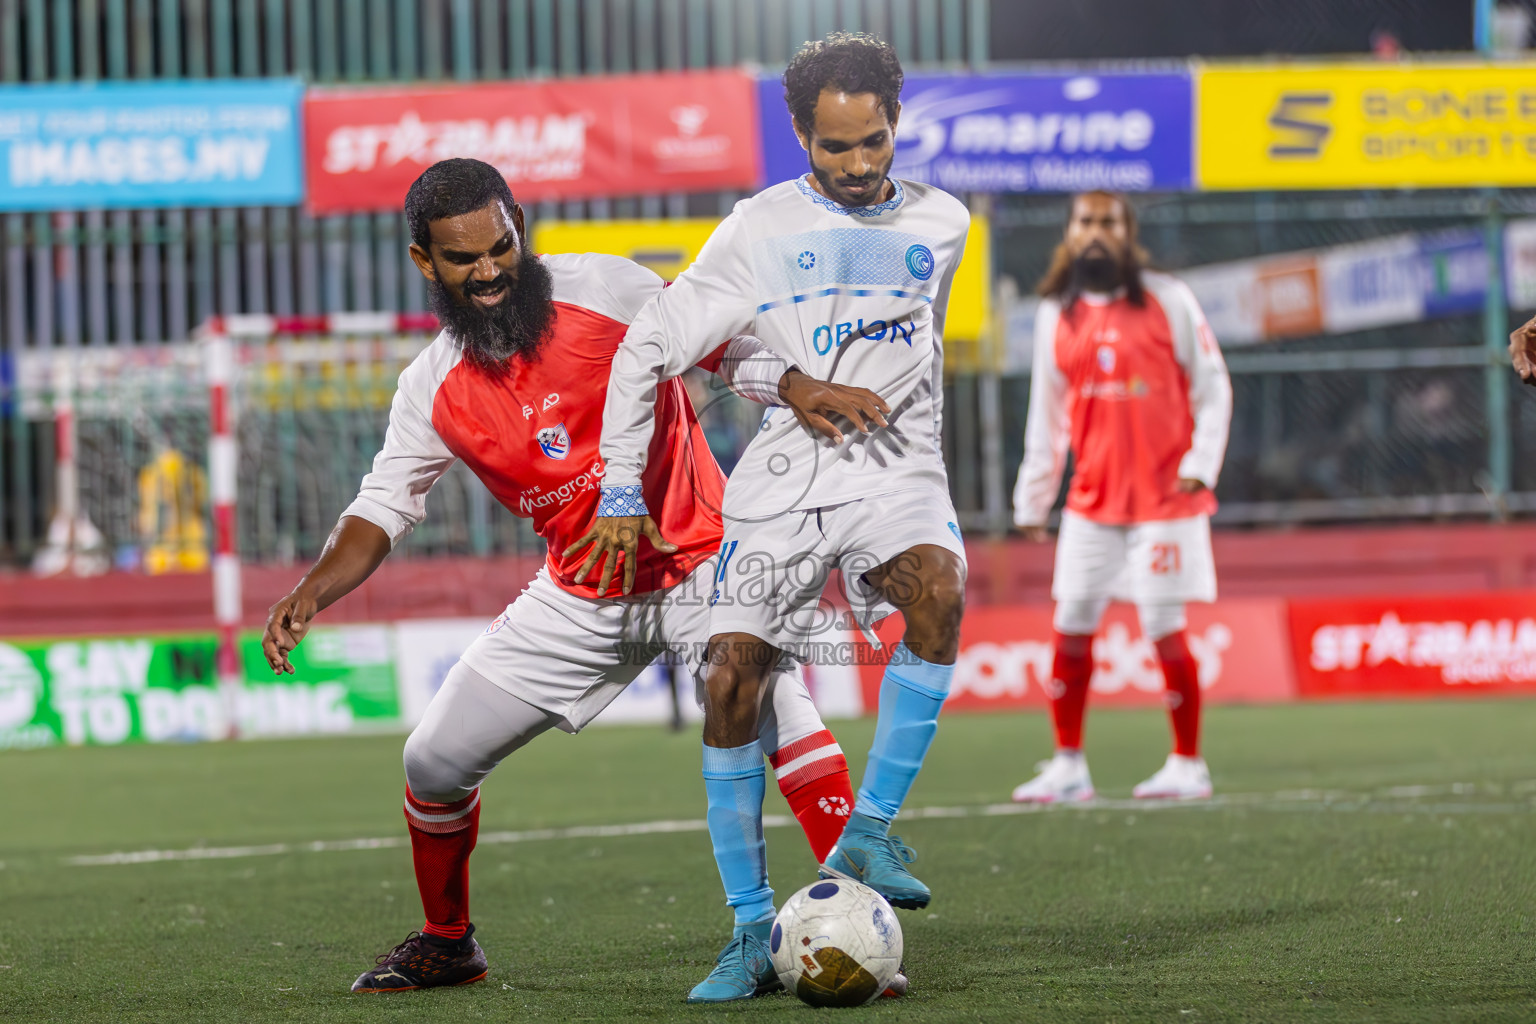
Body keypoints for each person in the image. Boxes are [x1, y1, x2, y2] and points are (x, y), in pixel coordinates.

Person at [261, 157, 876, 994]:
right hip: (582, 596)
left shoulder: (608, 291)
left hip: (706, 564)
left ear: (519, 225)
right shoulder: (431, 388)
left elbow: (727, 349)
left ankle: (860, 925)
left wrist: (792, 383)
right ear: (423, 263)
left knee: (786, 718)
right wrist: (312, 591)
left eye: (499, 247)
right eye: (461, 259)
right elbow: (384, 505)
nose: (486, 272)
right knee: (433, 763)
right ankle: (449, 942)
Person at [568, 32, 969, 1002]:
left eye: (873, 141)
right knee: (730, 681)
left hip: (892, 470)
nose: (859, 164)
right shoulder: (756, 228)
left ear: (896, 124)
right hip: (784, 483)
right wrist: (624, 484)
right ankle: (751, 928)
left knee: (939, 596)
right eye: (835, 147)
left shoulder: (947, 223)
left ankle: (867, 828)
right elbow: (655, 347)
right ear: (799, 134)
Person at [1010, 190, 1232, 804]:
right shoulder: (1059, 313)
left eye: (1109, 221)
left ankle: (1189, 764)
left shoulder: (1169, 300)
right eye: (1086, 221)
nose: (1097, 231)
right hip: (1090, 503)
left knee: (1163, 624)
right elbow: (1047, 416)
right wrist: (1034, 499)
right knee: (1070, 623)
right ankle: (1068, 765)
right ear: (1070, 232)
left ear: (1128, 233)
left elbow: (1213, 386)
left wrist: (1201, 463)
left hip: (1166, 499)